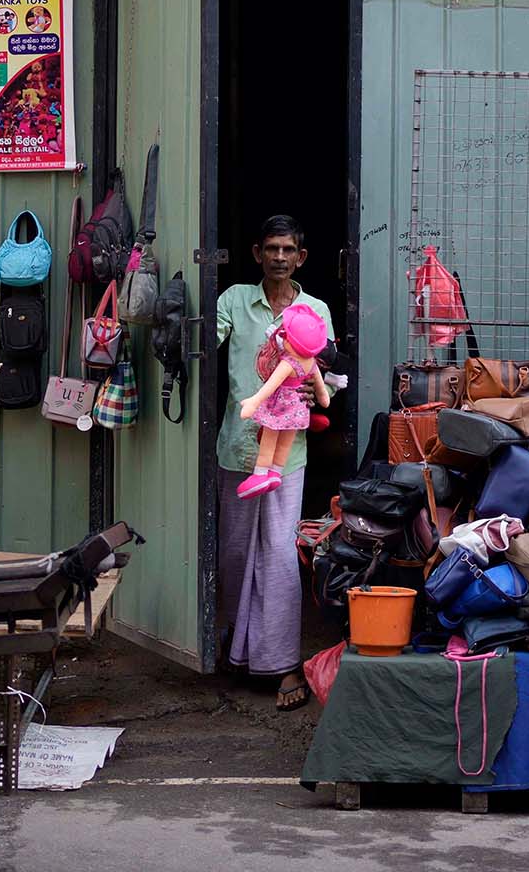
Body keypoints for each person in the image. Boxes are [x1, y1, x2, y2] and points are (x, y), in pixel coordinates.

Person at [212, 215, 336, 710]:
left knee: (281, 556)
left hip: (289, 451)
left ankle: (282, 665)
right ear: (257, 254)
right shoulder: (234, 300)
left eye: (288, 249)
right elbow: (205, 342)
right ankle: (233, 654)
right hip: (238, 447)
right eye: (271, 249)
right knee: (237, 552)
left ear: (301, 257)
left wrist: (315, 384)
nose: (280, 257)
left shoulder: (315, 309)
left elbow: (323, 367)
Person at [233, 303, 332, 498]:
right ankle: (276, 472)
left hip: (279, 407)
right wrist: (324, 398)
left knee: (270, 438)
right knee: (286, 441)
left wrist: (254, 402)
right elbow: (321, 389)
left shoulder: (288, 363)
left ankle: (260, 474)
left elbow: (270, 385)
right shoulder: (311, 363)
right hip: (298, 410)